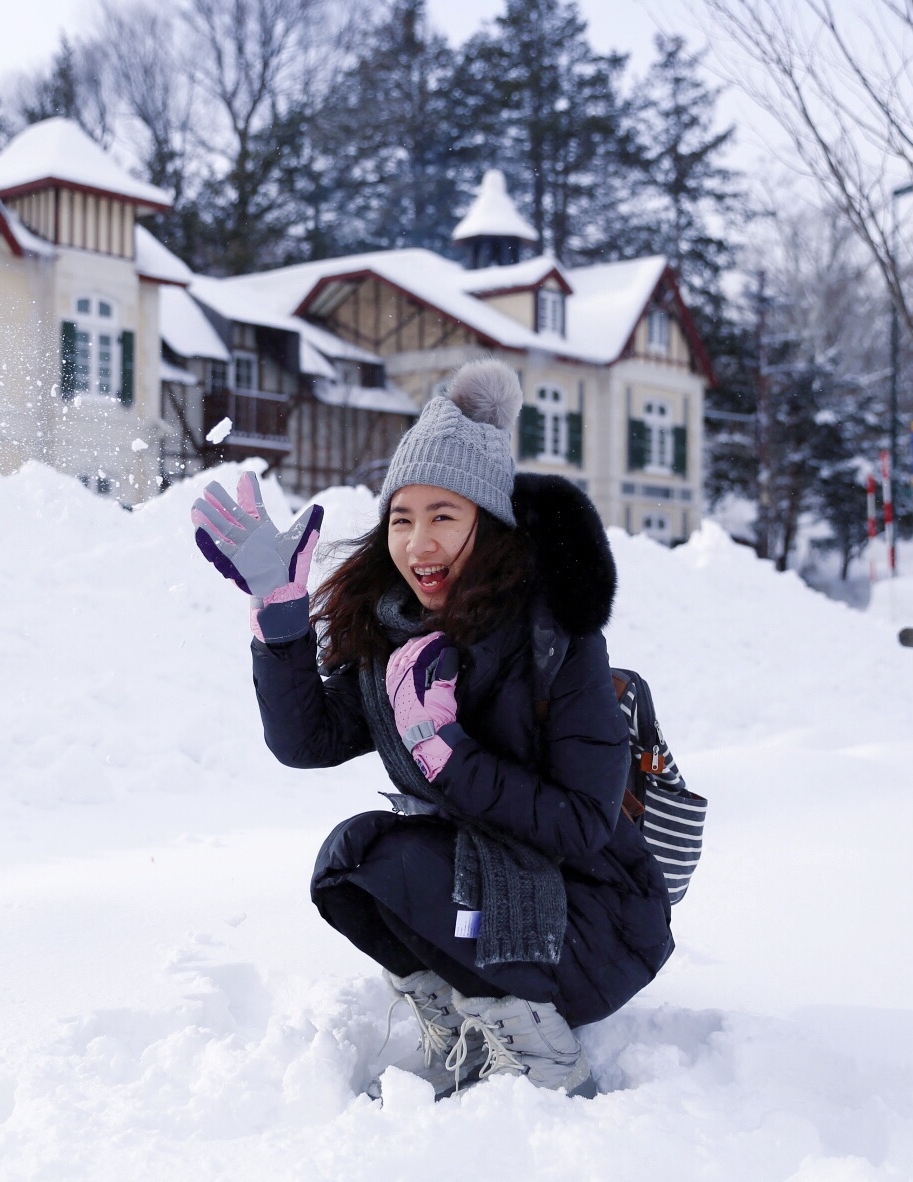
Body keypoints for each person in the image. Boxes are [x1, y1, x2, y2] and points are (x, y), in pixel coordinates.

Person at [191, 360, 674, 1100]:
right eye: (401, 518)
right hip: (500, 896)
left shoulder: (556, 641)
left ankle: (540, 1046)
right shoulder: (399, 637)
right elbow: (307, 742)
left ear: (488, 524)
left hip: (596, 921)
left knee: (404, 865)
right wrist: (281, 619)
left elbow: (582, 824)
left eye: (443, 517)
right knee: (352, 860)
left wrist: (447, 757)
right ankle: (465, 1019)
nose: (418, 543)